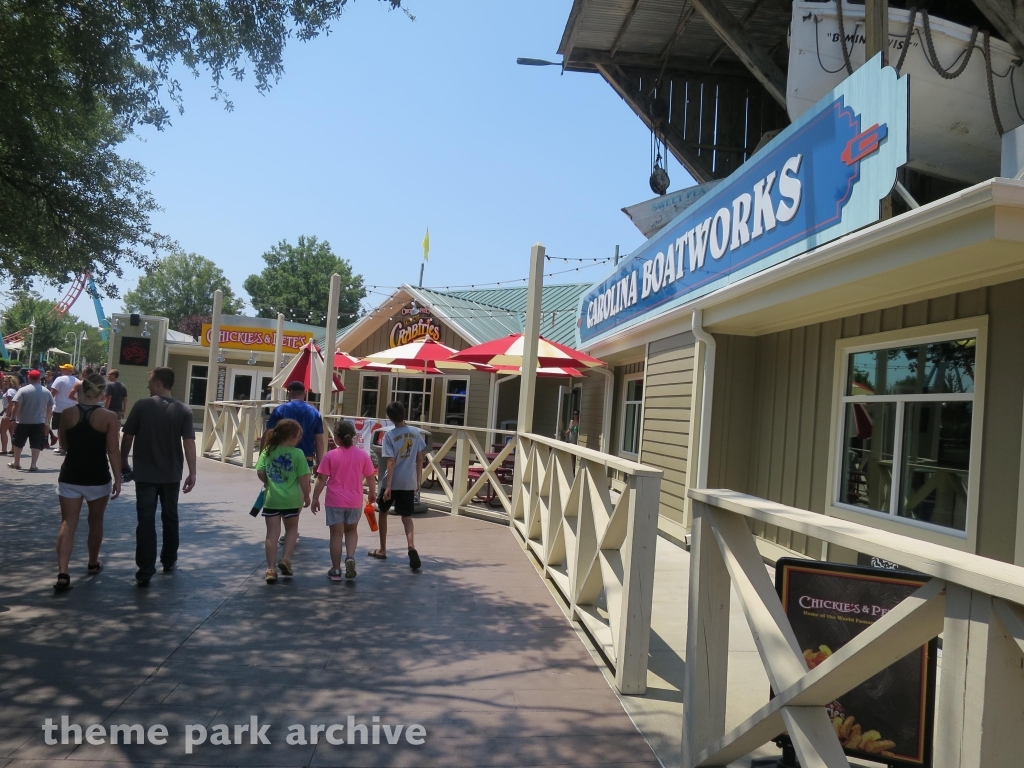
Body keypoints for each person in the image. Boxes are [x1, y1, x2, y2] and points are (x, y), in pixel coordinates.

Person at [120, 367, 196, 586]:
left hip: (144, 474)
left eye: (150, 381)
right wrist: (192, 471)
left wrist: (123, 461)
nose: (148, 385)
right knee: (170, 517)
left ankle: (145, 567)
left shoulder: (142, 405)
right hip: (172, 474)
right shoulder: (183, 410)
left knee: (145, 520)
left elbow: (128, 436)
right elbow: (189, 442)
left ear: (159, 383)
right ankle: (169, 559)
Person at [53, 374, 122, 591]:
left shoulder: (66, 413)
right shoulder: (109, 417)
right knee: (96, 521)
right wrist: (118, 478)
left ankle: (63, 573)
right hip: (97, 476)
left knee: (67, 524)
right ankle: (92, 562)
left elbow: (63, 444)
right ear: (102, 394)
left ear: (81, 391)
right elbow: (112, 449)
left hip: (70, 474)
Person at [311, 420, 377, 581]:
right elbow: (370, 477)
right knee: (351, 531)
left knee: (336, 535)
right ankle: (350, 557)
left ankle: (335, 570)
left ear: (336, 438)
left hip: (334, 501)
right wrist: (372, 495)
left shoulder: (330, 456)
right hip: (354, 501)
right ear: (353, 436)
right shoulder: (363, 455)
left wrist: (315, 498)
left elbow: (321, 478)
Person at [369, 401, 425, 569]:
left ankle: (383, 549)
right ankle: (411, 545)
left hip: (392, 482)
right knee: (406, 517)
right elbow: (420, 459)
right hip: (409, 481)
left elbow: (391, 462)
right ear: (404, 413)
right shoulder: (415, 433)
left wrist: (388, 486)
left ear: (389, 418)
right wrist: (418, 479)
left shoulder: (389, 436)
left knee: (383, 513)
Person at [255, 419, 311, 583]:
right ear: (292, 436)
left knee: (272, 533)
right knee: (292, 529)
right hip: (292, 499)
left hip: (272, 498)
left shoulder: (268, 451)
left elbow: (259, 472)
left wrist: (269, 481)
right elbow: (303, 479)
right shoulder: (298, 454)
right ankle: (285, 558)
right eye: (299, 436)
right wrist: (307, 496)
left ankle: (270, 569)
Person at [263, 381, 325, 471]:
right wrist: (319, 464)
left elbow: (267, 434)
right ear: (304, 394)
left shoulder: (280, 410)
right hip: (305, 459)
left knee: (281, 484)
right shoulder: (314, 412)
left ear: (289, 393)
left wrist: (263, 455)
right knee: (303, 484)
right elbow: (319, 440)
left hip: (281, 458)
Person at [7, 370, 54, 471]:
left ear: (29, 378)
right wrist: (47, 421)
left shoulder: (23, 390)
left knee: (18, 442)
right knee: (36, 443)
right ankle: (33, 464)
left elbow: (17, 405)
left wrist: (13, 419)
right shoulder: (46, 391)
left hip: (23, 421)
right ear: (39, 378)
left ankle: (16, 463)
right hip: (39, 422)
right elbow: (49, 408)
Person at [50, 363, 78, 453]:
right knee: (70, 427)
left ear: (68, 371)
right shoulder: (77, 381)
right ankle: (70, 445)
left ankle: (61, 446)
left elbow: (53, 392)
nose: (61, 370)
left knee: (60, 428)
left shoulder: (59, 379)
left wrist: (48, 405)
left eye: (63, 369)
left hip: (60, 407)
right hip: (73, 407)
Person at [1, 375, 19, 455]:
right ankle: (13, 449)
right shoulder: (15, 390)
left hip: (9, 413)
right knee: (12, 432)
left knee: (3, 431)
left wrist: (7, 415)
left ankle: (4, 449)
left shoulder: (10, 391)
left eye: (6, 381)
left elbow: (11, 403)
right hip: (13, 414)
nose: (4, 382)